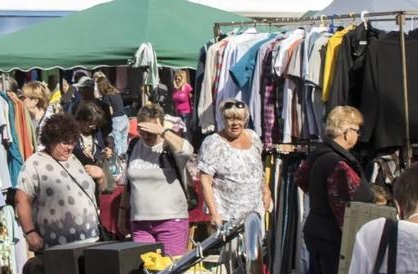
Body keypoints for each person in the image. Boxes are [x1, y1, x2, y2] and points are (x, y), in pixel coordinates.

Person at [298, 105, 372, 274]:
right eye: (357, 130)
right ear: (346, 131)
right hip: (332, 238)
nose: (358, 135)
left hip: (315, 229)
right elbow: (345, 206)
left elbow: (301, 179)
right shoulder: (338, 163)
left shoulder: (318, 153)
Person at [16, 113, 101, 252]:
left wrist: (101, 177)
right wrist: (30, 232)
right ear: (51, 141)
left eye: (73, 142)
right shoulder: (34, 163)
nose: (70, 147)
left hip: (91, 240)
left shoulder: (78, 157)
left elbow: (98, 191)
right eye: (65, 143)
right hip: (56, 246)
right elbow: (22, 200)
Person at [121, 103, 194, 256]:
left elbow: (187, 150)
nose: (146, 135)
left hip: (171, 220)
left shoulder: (170, 145)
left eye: (150, 131)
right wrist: (123, 213)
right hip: (140, 222)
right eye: (142, 130)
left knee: (170, 271)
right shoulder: (134, 145)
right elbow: (128, 184)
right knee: (143, 272)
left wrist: (163, 132)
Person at [198, 99, 270, 226]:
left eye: (239, 119)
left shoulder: (253, 137)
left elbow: (258, 169)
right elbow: (205, 181)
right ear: (223, 119)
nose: (235, 123)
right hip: (227, 217)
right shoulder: (213, 143)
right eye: (230, 118)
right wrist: (214, 214)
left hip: (255, 213)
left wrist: (266, 191)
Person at [73, 101, 111, 179]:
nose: (94, 127)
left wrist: (105, 153)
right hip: (78, 174)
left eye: (96, 124)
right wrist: (83, 154)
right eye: (91, 124)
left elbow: (100, 148)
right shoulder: (71, 133)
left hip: (95, 174)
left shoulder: (96, 131)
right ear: (81, 120)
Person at [94, 72, 129, 155]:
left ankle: (118, 160)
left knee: (116, 143)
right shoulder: (116, 92)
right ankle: (124, 159)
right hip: (124, 118)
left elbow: (110, 111)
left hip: (117, 120)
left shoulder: (106, 96)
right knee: (124, 141)